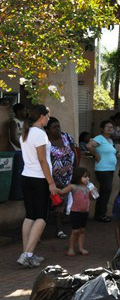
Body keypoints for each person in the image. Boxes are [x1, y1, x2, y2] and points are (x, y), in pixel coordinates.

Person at [17, 104, 56, 268]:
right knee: (41, 217)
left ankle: (27, 253)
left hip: (26, 177)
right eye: (47, 116)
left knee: (30, 216)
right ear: (41, 116)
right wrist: (51, 182)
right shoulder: (39, 134)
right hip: (39, 179)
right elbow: (42, 160)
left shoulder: (26, 133)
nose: (49, 119)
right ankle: (27, 254)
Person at [46, 117, 76, 240]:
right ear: (47, 130)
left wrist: (75, 172)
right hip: (52, 178)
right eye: (54, 127)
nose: (58, 129)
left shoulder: (67, 137)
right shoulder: (45, 142)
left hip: (68, 176)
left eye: (58, 126)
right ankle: (42, 229)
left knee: (62, 204)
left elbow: (74, 153)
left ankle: (59, 229)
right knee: (52, 203)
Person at [86, 120, 118, 222]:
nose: (110, 128)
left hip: (110, 169)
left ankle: (100, 213)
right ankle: (100, 214)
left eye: (111, 127)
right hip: (102, 169)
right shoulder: (100, 138)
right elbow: (89, 146)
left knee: (106, 190)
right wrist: (96, 155)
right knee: (106, 190)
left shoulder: (110, 141)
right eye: (107, 127)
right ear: (102, 129)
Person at [58, 167, 93, 256]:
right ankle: (71, 248)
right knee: (75, 231)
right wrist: (54, 188)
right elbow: (62, 192)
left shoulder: (88, 187)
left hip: (85, 212)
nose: (87, 179)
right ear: (78, 177)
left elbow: (93, 198)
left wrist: (93, 191)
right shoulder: (73, 186)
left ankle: (81, 248)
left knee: (82, 230)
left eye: (88, 177)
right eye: (85, 177)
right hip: (75, 212)